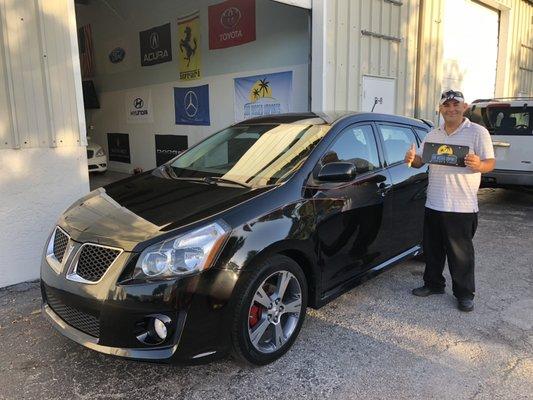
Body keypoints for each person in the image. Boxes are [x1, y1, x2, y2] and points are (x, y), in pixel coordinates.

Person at [405, 90, 496, 312]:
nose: (451, 109)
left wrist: (479, 165)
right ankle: (433, 284)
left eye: (456, 105)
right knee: (433, 250)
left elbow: (490, 163)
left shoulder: (477, 132)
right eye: (446, 105)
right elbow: (421, 162)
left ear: (464, 107)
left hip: (462, 207)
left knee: (461, 255)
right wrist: (411, 159)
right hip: (434, 203)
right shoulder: (433, 134)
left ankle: (464, 294)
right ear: (440, 109)